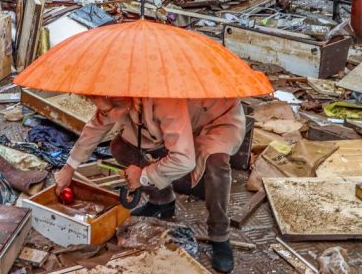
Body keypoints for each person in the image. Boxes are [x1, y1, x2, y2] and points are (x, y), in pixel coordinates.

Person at [55, 96, 245, 273]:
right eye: (104, 111)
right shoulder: (124, 93)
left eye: (111, 108)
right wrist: (69, 168)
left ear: (124, 97)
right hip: (180, 114)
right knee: (120, 147)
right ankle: (162, 200)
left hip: (214, 118)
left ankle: (220, 233)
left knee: (215, 161)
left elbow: (185, 160)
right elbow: (97, 125)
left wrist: (144, 176)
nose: (109, 116)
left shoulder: (165, 99)